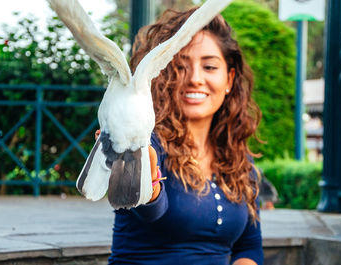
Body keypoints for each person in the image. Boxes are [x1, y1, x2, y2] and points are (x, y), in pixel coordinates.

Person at [100, 6, 263, 265]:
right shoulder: (147, 142)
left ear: (229, 78)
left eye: (209, 66)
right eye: (180, 66)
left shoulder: (239, 160)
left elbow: (249, 247)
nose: (195, 79)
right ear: (162, 74)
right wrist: (147, 183)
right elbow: (151, 211)